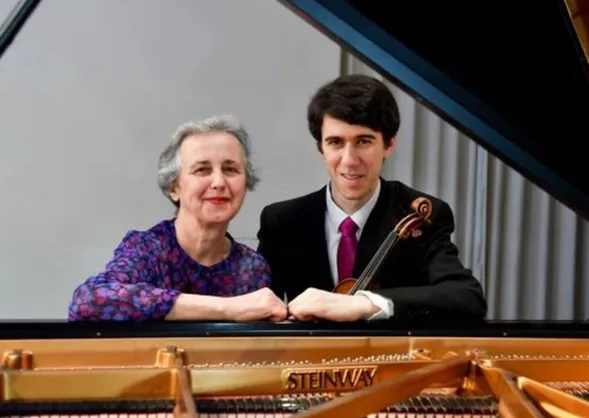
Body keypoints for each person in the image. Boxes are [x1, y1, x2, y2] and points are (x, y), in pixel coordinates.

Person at [256, 74, 487, 322]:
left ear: (389, 144)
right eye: (335, 142)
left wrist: (368, 304)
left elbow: (467, 297)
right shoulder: (283, 221)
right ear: (320, 148)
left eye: (363, 141)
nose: (349, 160)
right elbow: (258, 307)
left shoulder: (417, 214)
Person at [69, 114, 288, 322]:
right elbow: (88, 302)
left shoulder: (252, 268)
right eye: (202, 170)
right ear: (174, 187)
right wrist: (227, 308)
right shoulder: (147, 249)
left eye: (230, 169)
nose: (219, 182)